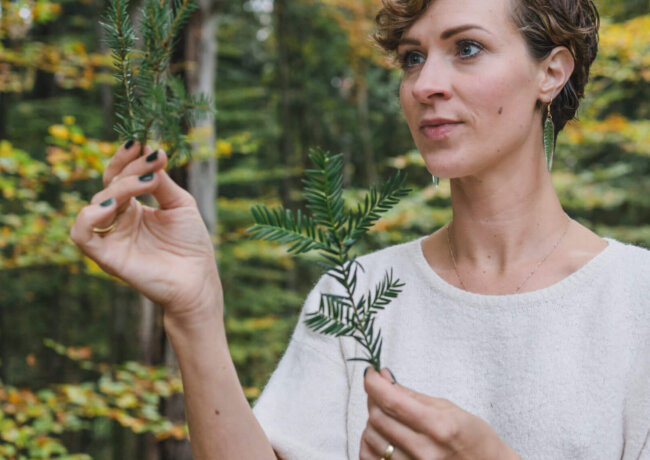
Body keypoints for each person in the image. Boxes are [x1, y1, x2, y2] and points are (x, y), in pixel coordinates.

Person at [71, 0, 650, 458]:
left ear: (552, 71)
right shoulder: (355, 294)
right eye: (412, 57)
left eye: (467, 48)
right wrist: (193, 312)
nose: (425, 85)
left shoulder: (636, 300)